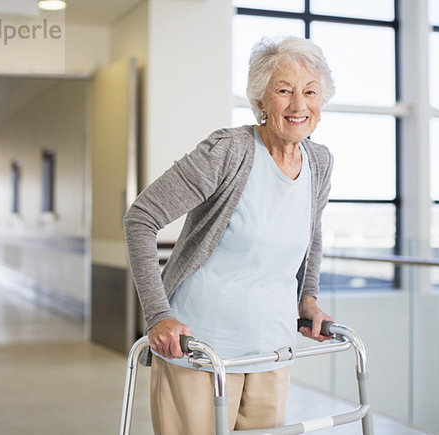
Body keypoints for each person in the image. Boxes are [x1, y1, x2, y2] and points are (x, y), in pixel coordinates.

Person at [123, 36, 335, 435]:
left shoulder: (319, 161)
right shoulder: (229, 150)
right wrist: (158, 316)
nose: (298, 105)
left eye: (310, 92)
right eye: (283, 90)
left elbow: (313, 233)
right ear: (260, 99)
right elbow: (141, 218)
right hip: (200, 347)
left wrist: (307, 301)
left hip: (272, 348)